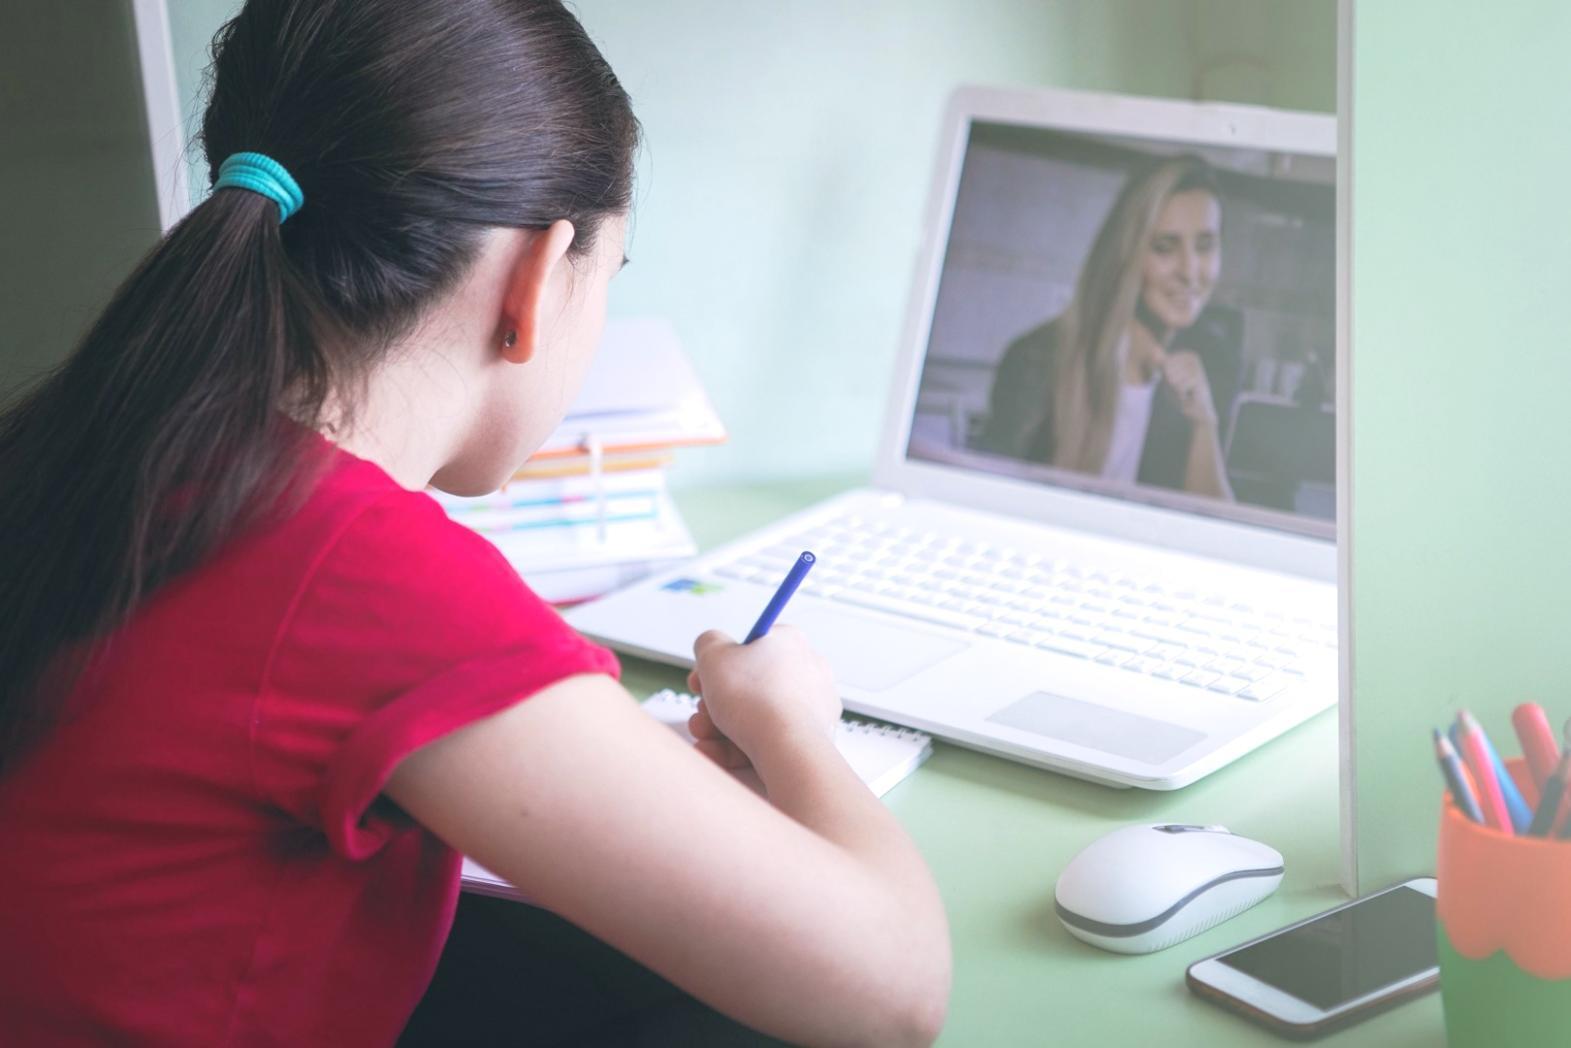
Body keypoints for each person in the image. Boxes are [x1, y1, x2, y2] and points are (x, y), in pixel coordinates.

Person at [0, 2, 950, 1045]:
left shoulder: (101, 442)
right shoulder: (357, 575)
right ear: (534, 280)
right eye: (611, 276)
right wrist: (790, 724)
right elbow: (894, 996)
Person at [973, 155, 1237, 501]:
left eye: (1205, 246)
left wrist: (1204, 423)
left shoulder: (1213, 360)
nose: (1190, 271)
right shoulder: (1037, 359)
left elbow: (1215, 533)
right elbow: (992, 506)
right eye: (1164, 248)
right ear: (1126, 254)